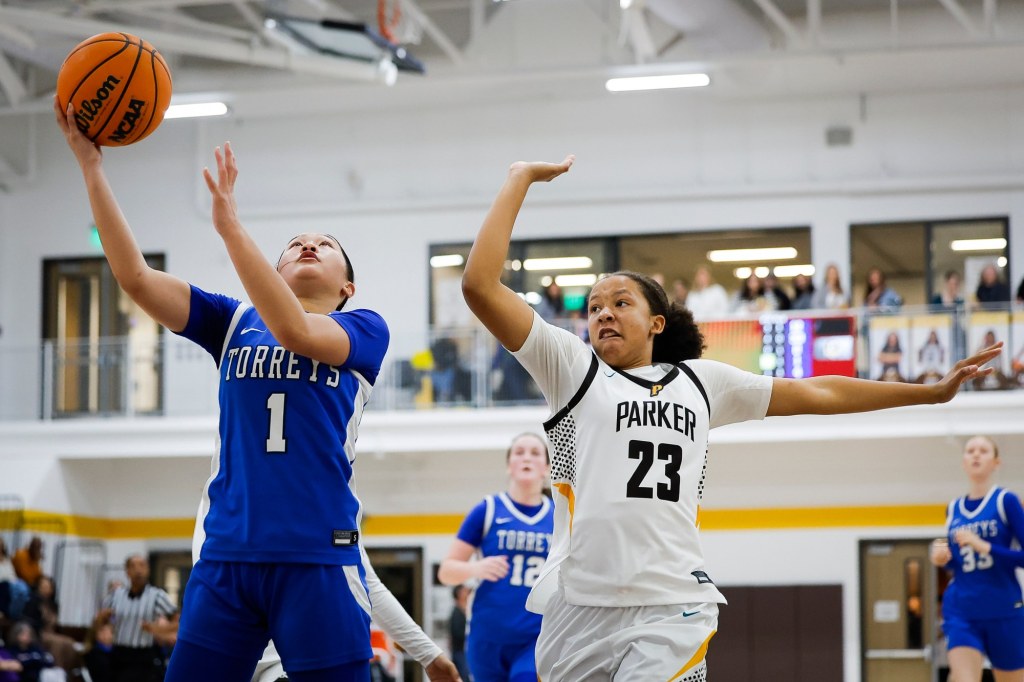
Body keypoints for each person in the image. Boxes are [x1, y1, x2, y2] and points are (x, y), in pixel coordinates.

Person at [460, 154, 1002, 681]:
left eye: (620, 302)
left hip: (673, 603)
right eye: (594, 306)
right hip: (577, 604)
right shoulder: (570, 368)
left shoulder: (703, 381)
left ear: (655, 323)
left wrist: (927, 394)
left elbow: (818, 392)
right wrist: (520, 179)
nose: (603, 312)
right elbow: (480, 286)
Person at [57, 99, 387, 681]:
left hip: (317, 554)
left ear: (347, 287)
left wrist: (231, 227)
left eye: (325, 244)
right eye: (295, 244)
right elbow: (134, 276)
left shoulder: (364, 330)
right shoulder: (233, 321)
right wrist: (91, 168)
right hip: (228, 555)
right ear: (277, 269)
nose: (307, 246)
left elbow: (293, 328)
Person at [247, 544, 463, 682]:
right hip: (235, 654)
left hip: (292, 661)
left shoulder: (333, 501)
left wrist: (429, 655)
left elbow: (368, 585)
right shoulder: (222, 503)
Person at [438, 433, 554, 682]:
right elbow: (446, 571)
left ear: (547, 468)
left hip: (536, 636)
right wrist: (476, 568)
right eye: (519, 452)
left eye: (535, 453)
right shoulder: (488, 509)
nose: (527, 458)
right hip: (487, 637)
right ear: (509, 465)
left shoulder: (560, 516)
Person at [929, 436, 1024, 682]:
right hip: (962, 611)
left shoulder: (1006, 501)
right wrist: (940, 555)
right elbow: (952, 553)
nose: (976, 455)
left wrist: (985, 546)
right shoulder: (953, 508)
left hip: (1004, 608)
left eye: (983, 450)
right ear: (963, 462)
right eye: (970, 450)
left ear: (996, 462)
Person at [94, 555, 177, 682]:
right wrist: (102, 619)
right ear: (127, 571)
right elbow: (99, 621)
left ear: (148, 570)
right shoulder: (116, 595)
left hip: (144, 655)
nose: (138, 570)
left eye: (142, 565)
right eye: (133, 566)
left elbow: (178, 621)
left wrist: (159, 630)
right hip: (119, 653)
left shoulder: (157, 595)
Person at [0, 539, 29, 621]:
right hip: (3, 584)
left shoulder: (7, 560)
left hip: (11, 583)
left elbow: (12, 574)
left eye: (1, 545)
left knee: (23, 586)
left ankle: (19, 611)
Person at [447, 585, 470, 682]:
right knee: (463, 676)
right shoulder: (456, 612)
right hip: (459, 651)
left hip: (465, 651)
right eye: (464, 591)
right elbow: (457, 633)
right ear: (459, 594)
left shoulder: (467, 610)